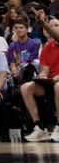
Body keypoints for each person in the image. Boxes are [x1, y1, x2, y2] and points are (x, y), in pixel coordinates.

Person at [22, 10, 59, 141]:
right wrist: (41, 77)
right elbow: (45, 70)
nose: (53, 28)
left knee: (58, 86)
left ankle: (58, 127)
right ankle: (39, 128)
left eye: (56, 25)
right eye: (51, 26)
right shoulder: (46, 48)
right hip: (51, 83)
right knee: (26, 87)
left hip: (58, 83)